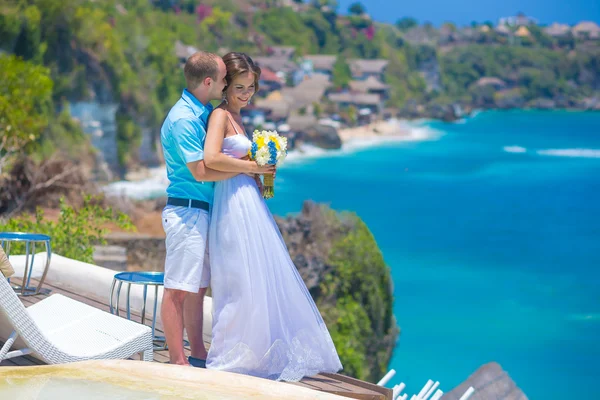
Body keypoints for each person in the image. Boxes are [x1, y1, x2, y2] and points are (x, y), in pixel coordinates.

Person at [203, 52, 343, 381]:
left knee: (255, 277)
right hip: (231, 203)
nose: (246, 93)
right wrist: (253, 166)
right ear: (224, 85)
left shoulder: (239, 119)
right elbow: (211, 158)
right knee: (236, 278)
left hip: (249, 201)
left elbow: (235, 161)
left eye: (251, 87)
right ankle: (228, 355)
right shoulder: (219, 116)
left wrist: (262, 174)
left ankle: (253, 354)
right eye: (240, 86)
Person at [160, 51, 274, 367]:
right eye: (225, 80)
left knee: (196, 287)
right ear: (209, 81)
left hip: (205, 210)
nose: (227, 86)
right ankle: (178, 362)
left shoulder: (202, 111)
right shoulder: (184, 118)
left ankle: (197, 353)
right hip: (187, 211)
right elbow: (201, 170)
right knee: (178, 289)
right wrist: (249, 168)